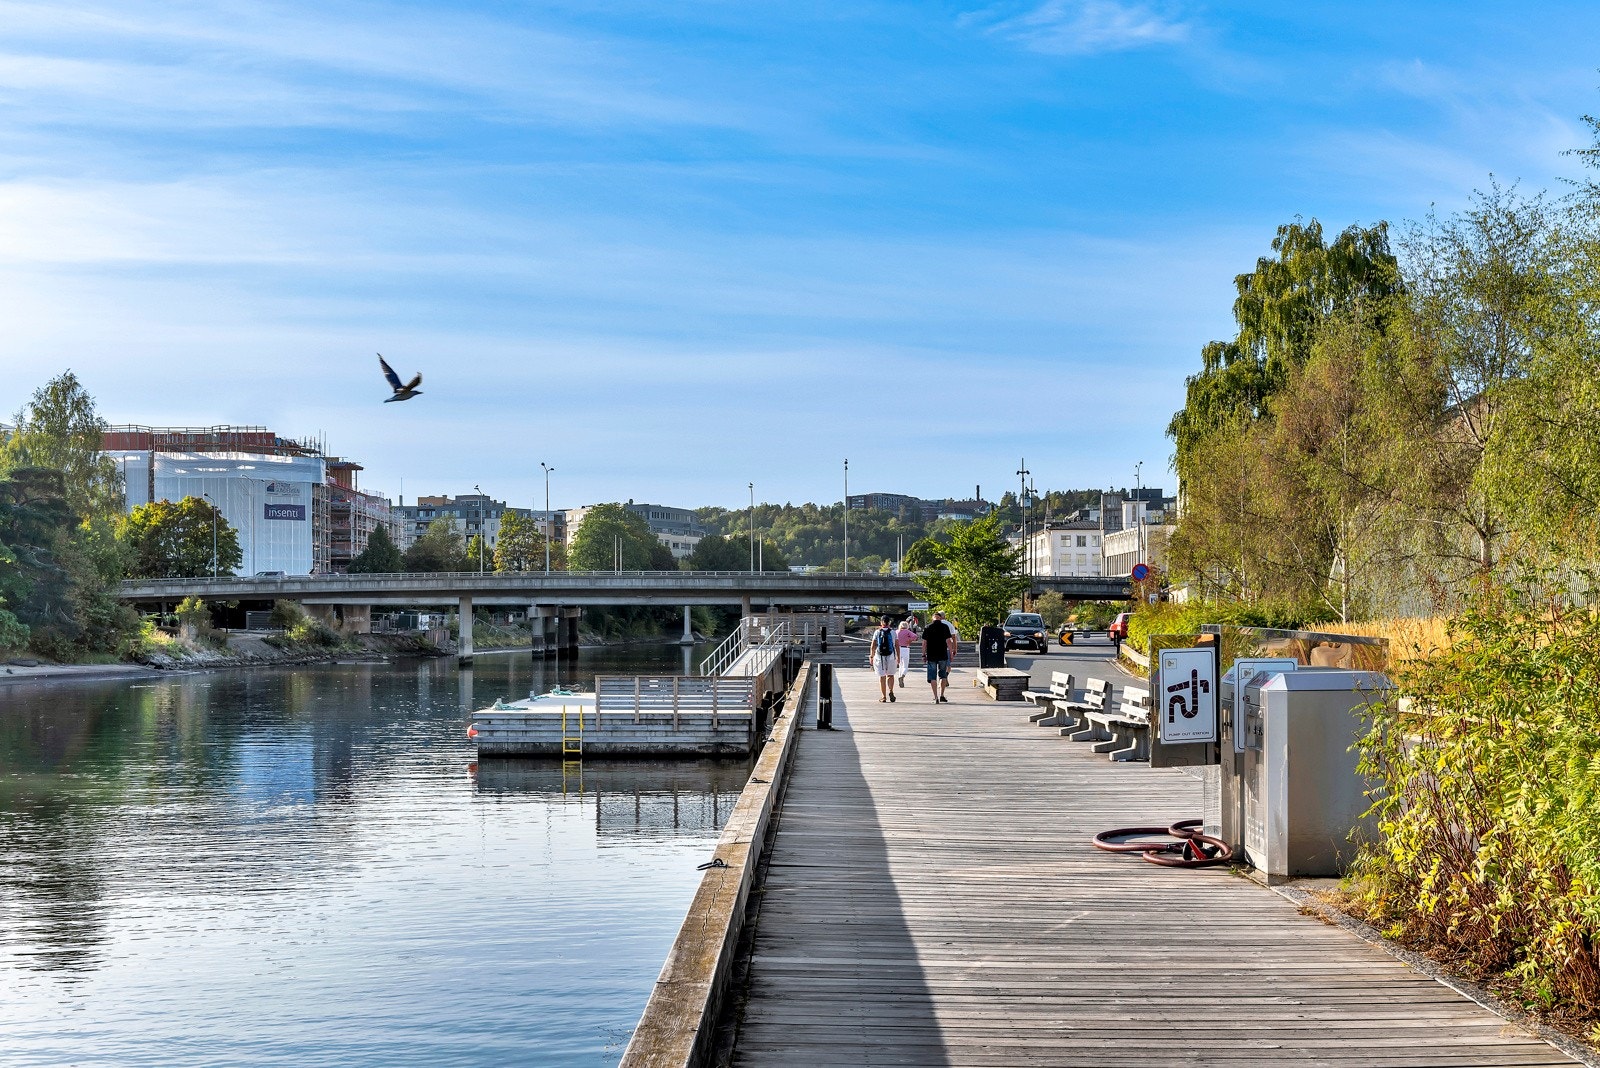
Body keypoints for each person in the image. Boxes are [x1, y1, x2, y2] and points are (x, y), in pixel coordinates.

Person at [921, 610, 957, 703]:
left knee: (932, 677)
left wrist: (923, 654)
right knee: (943, 675)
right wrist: (951, 652)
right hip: (943, 655)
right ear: (940, 618)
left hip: (932, 655)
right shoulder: (945, 627)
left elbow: (924, 643)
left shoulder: (928, 627)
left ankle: (935, 697)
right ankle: (942, 695)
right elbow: (949, 641)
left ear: (932, 618)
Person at [871, 615, 899, 702]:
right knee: (890, 675)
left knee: (882, 677)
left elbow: (873, 646)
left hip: (879, 657)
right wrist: (898, 656)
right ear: (889, 622)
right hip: (891, 656)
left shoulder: (877, 632)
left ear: (881, 622)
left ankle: (883, 696)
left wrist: (871, 656)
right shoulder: (893, 633)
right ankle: (891, 691)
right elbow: (897, 645)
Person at [894, 618, 916, 688]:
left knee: (900, 665)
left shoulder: (896, 632)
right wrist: (909, 640)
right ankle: (902, 676)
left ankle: (900, 677)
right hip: (905, 648)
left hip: (897, 649)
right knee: (905, 666)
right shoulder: (907, 631)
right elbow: (915, 636)